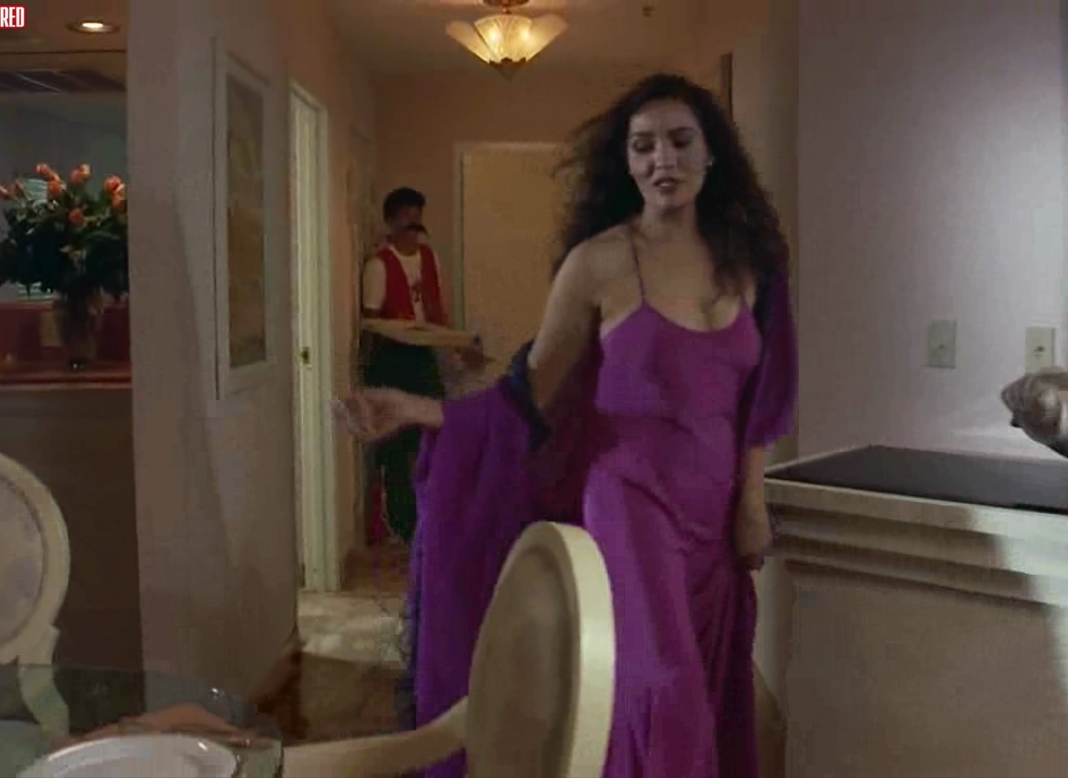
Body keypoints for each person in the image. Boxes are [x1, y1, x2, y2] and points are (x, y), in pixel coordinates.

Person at [336, 73, 796, 778]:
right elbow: (528, 394)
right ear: (626, 162)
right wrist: (420, 409)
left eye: (680, 141)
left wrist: (753, 501)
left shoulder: (753, 261)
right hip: (630, 506)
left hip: (715, 517)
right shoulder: (597, 263)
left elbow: (765, 395)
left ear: (712, 153)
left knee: (705, 694)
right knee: (663, 690)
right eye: (643, 146)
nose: (663, 160)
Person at [359, 187, 449, 546]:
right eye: (406, 217)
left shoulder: (429, 259)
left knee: (434, 432)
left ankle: (432, 515)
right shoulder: (379, 265)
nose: (414, 224)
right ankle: (401, 522)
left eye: (417, 216)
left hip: (423, 355)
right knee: (397, 444)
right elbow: (370, 320)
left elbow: (437, 311)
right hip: (394, 357)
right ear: (391, 221)